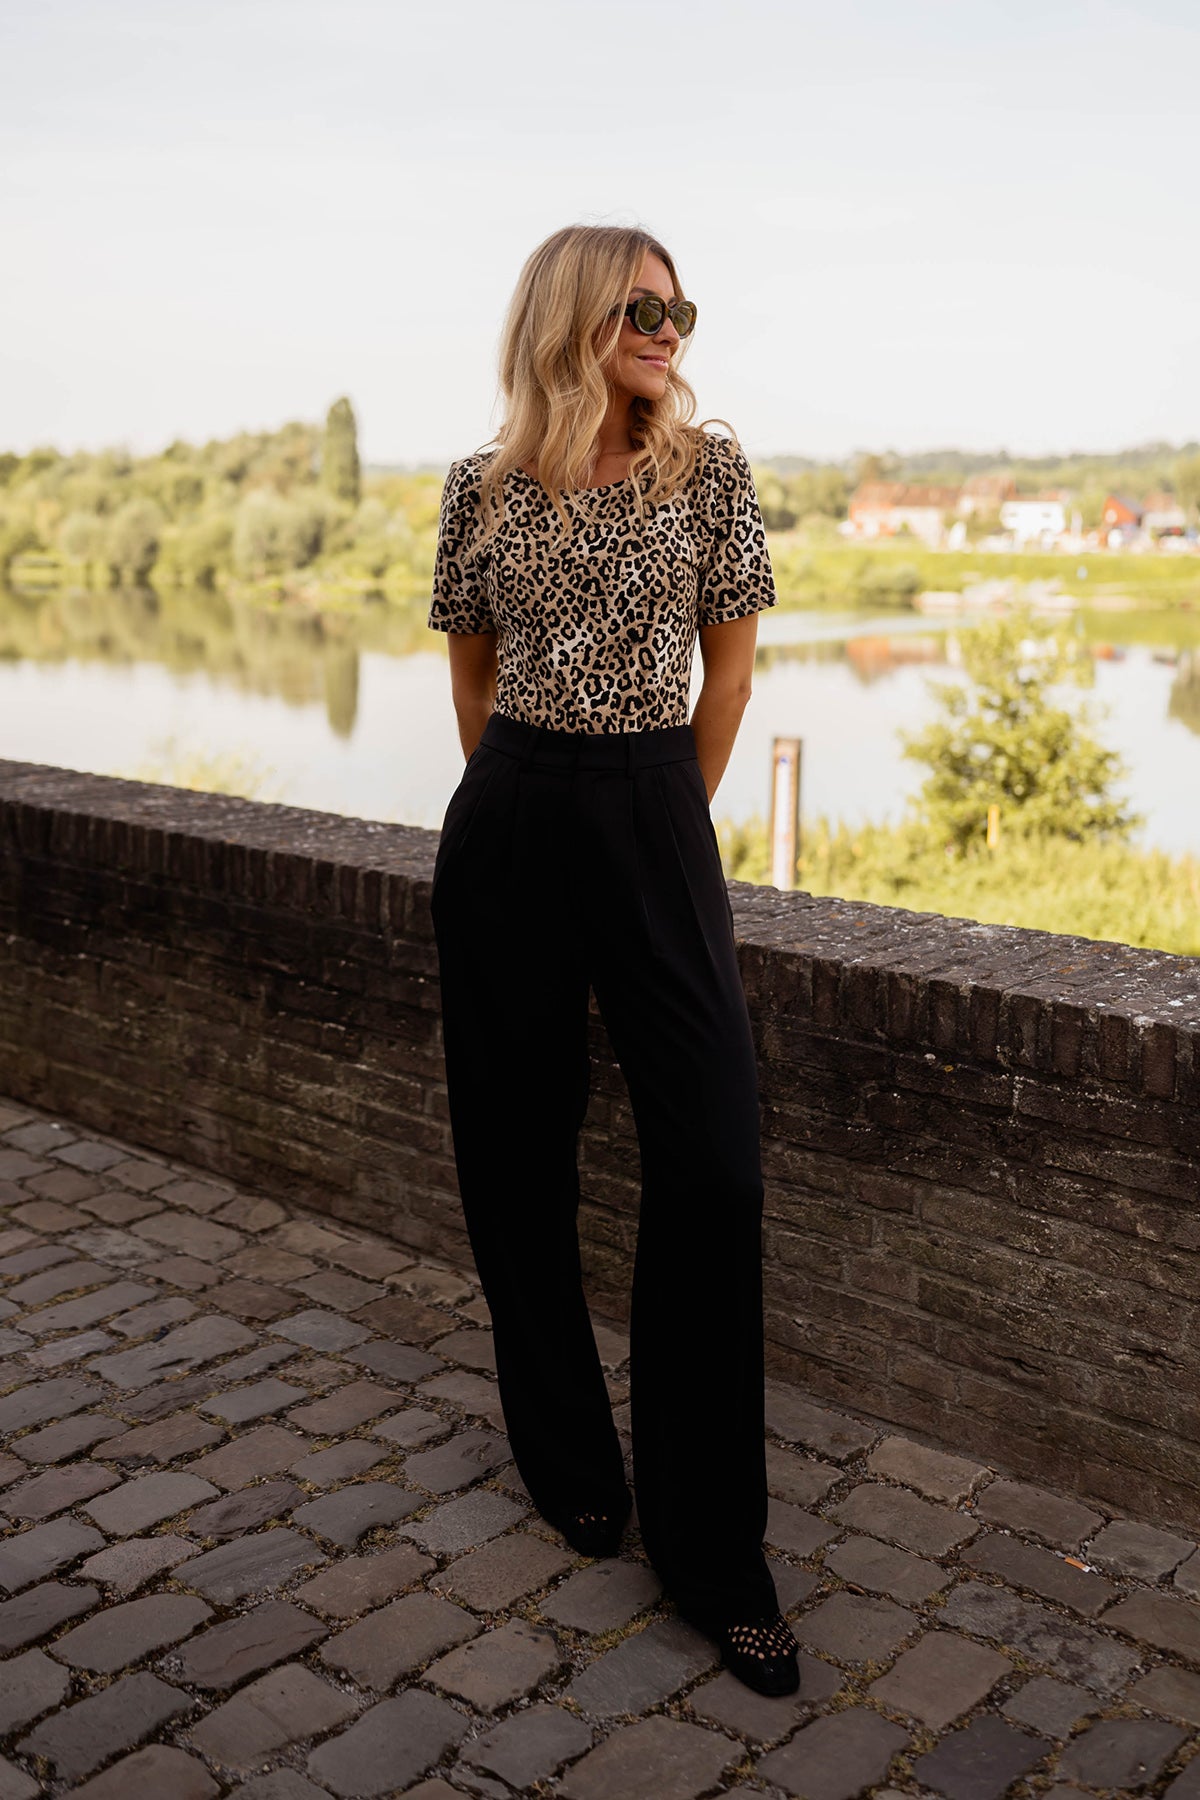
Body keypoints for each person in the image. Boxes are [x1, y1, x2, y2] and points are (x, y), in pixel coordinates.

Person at [426, 222, 799, 1697]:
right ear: (573, 317)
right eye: (641, 308)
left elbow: (733, 674)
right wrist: (517, 814)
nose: (667, 330)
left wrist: (656, 825)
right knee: (514, 1153)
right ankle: (571, 1458)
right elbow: (472, 675)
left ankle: (713, 1552)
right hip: (513, 812)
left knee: (714, 1165)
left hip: (653, 806)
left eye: (677, 310)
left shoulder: (709, 473)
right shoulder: (481, 490)